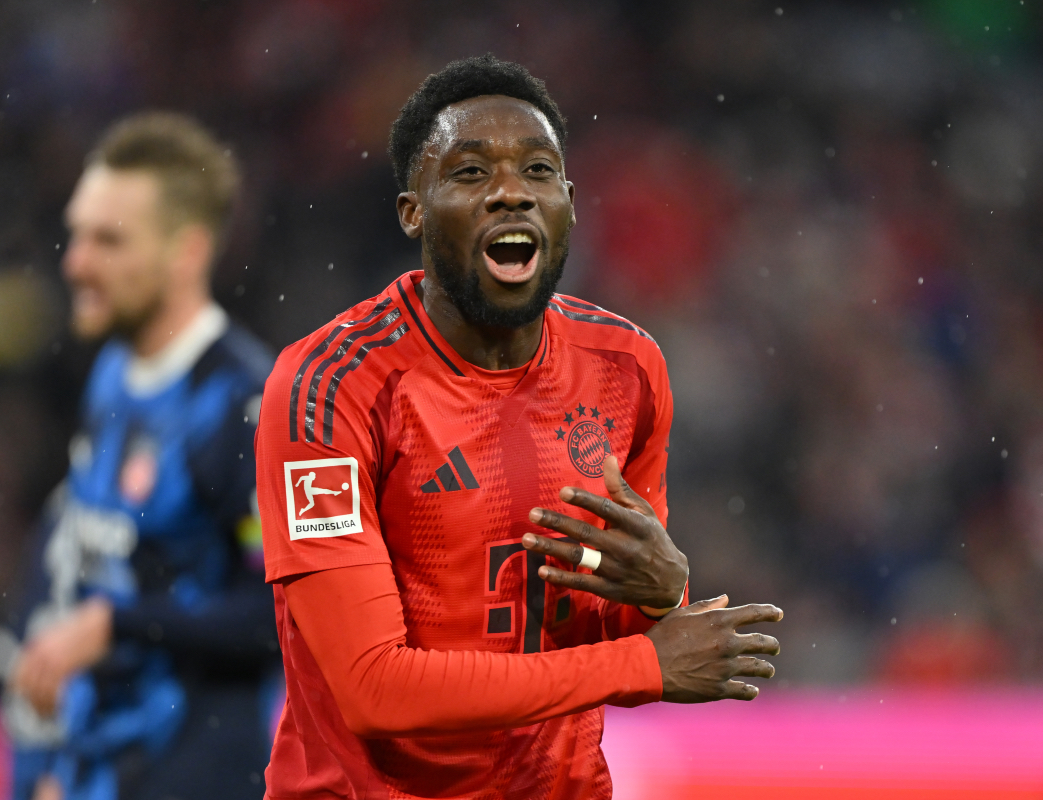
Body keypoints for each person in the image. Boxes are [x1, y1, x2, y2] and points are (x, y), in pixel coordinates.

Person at [254, 55, 783, 799]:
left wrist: (662, 595)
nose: (511, 193)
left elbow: (614, 628)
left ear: (568, 201)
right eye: (471, 174)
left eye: (538, 172)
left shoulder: (627, 368)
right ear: (413, 211)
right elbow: (373, 691)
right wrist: (648, 662)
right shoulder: (328, 390)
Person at [0, 113, 281, 800]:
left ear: (187, 251)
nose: (75, 260)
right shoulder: (111, 375)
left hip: (199, 776)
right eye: (77, 231)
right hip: (102, 771)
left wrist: (118, 624)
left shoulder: (250, 410)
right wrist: (59, 766)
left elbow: (285, 615)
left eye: (108, 239)